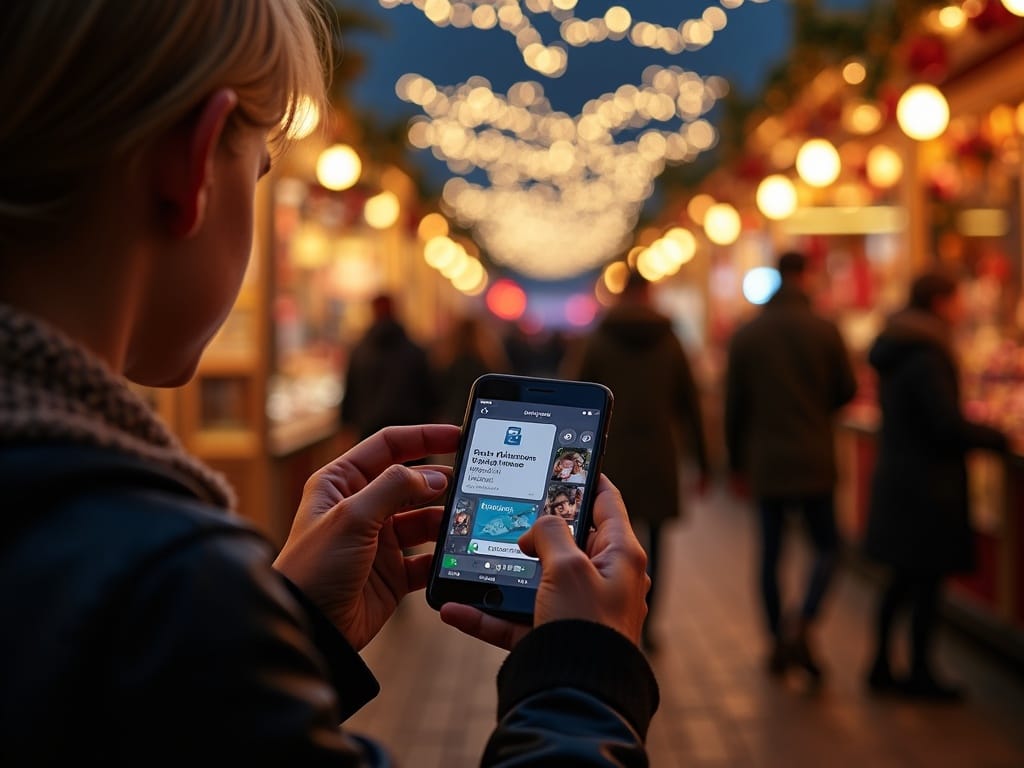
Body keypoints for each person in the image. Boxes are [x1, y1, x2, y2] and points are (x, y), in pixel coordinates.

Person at [0, 2, 659, 764]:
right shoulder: (152, 584)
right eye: (258, 170)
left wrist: (288, 636)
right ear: (194, 164)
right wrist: (584, 681)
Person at [863, 270, 1008, 701]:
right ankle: (920, 672)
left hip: (901, 479)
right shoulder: (928, 352)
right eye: (958, 297)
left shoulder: (899, 345)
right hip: (928, 486)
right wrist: (995, 437)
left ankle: (882, 665)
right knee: (924, 584)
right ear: (941, 302)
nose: (963, 306)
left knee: (902, 579)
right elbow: (943, 424)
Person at [724, 250, 857, 681]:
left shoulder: (748, 334)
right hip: (815, 455)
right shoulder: (825, 329)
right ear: (806, 276)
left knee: (771, 552)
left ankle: (778, 639)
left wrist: (735, 465)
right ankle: (804, 619)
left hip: (767, 460)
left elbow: (734, 407)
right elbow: (847, 390)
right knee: (828, 546)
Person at [571, 269, 709, 652]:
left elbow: (579, 398)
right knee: (656, 544)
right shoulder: (670, 340)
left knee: (604, 537)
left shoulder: (598, 339)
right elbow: (690, 403)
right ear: (648, 294)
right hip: (658, 455)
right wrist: (703, 463)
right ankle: (647, 623)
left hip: (610, 460)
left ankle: (611, 615)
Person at [340, 292, 441, 447]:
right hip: (411, 433)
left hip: (370, 433)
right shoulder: (415, 351)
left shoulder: (359, 352)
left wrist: (346, 427)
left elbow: (350, 394)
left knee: (375, 471)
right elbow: (429, 394)